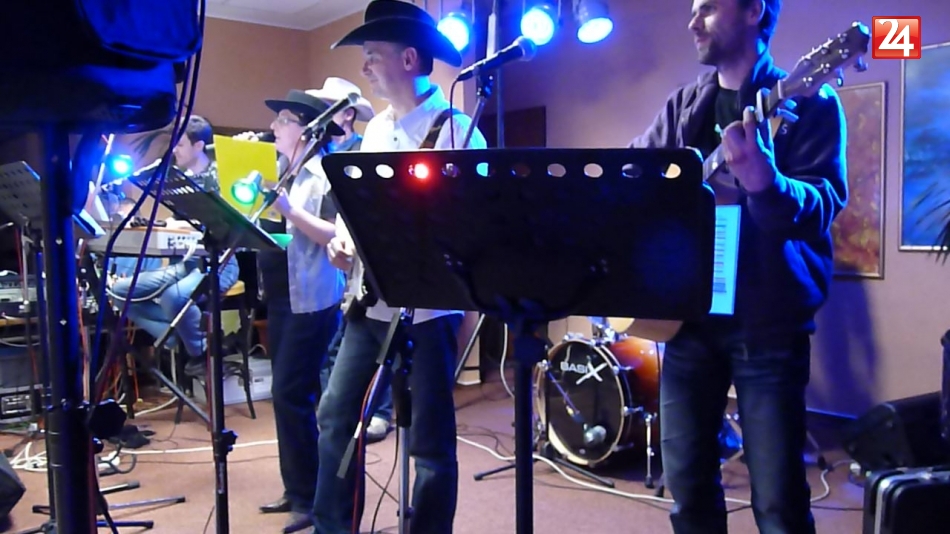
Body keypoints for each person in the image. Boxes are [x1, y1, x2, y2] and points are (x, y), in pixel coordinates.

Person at [630, 1, 847, 533]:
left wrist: (766, 184)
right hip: (687, 323)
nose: (692, 22)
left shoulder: (811, 100)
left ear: (754, 11)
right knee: (688, 493)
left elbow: (823, 203)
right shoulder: (683, 105)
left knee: (777, 503)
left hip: (767, 326)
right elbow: (635, 171)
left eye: (708, 8)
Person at [311, 1, 487, 532]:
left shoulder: (456, 131)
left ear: (409, 59)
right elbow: (361, 212)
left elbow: (474, 228)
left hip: (430, 312)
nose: (364, 67)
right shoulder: (376, 131)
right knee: (336, 414)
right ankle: (333, 526)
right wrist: (343, 243)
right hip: (371, 302)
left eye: (372, 55)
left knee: (429, 443)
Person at [251, 89, 348, 534]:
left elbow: (334, 234)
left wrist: (287, 209)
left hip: (312, 298)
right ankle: (297, 489)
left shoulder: (324, 173)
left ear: (307, 130)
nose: (274, 127)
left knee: (293, 394)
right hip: (280, 295)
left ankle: (310, 496)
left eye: (283, 119)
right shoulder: (280, 170)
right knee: (287, 396)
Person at [108, 115, 240, 379]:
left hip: (219, 261)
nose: (174, 150)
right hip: (186, 262)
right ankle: (182, 337)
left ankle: (200, 353)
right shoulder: (180, 180)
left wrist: (184, 225)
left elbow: (228, 225)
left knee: (174, 297)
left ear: (199, 146)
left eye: (180, 144)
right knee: (119, 291)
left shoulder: (221, 177)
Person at [309, 77, 393, 444]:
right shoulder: (324, 151)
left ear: (346, 114)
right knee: (342, 349)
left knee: (379, 346)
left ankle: (380, 411)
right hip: (351, 270)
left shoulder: (363, 146)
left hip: (381, 273)